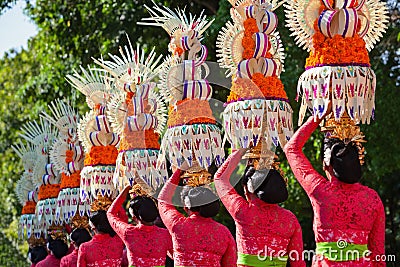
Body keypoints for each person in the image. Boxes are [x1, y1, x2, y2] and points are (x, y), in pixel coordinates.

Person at [284, 115, 385, 266]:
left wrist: (319, 114)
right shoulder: (373, 199)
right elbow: (378, 254)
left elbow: (291, 149)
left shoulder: (319, 191)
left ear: (326, 164)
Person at [214, 148, 306, 267]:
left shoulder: (241, 211)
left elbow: (220, 178)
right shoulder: (290, 220)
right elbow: (298, 263)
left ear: (247, 188)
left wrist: (240, 150)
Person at [158, 169, 237, 266]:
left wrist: (178, 171)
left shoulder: (178, 225)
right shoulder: (224, 232)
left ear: (186, 207)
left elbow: (163, 200)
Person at [107, 185, 173, 266]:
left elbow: (110, 214)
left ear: (134, 216)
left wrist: (125, 191)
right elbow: (174, 255)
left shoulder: (128, 232)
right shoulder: (165, 234)